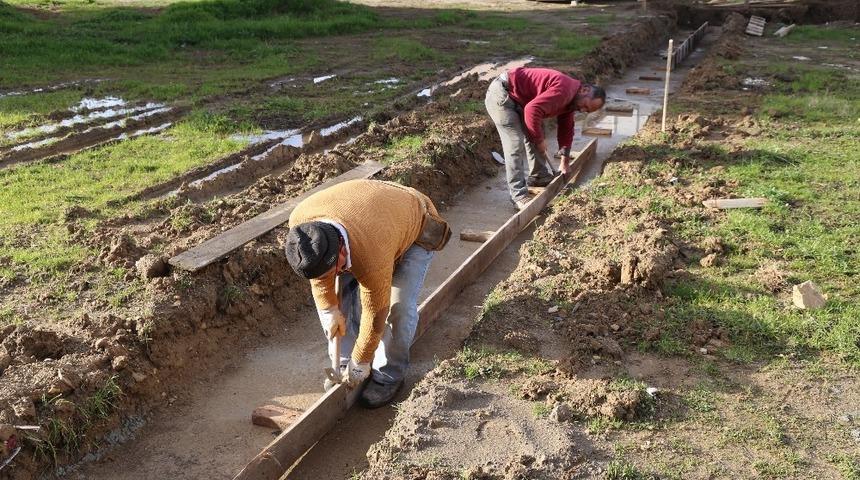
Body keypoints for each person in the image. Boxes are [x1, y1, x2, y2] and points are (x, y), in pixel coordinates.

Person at [284, 179, 450, 408]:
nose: (324, 278)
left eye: (330, 270)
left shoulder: (372, 252)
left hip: (413, 224)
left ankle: (388, 376)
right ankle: (343, 362)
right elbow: (319, 278)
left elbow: (375, 313)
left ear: (341, 252)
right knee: (340, 295)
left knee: (398, 308)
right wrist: (329, 310)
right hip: (367, 211)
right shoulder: (301, 226)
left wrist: (361, 359)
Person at [484, 67, 606, 210]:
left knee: (536, 131)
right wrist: (539, 140)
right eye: (585, 106)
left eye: (586, 111)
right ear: (584, 90)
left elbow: (566, 129)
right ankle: (518, 196)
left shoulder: (572, 100)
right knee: (515, 142)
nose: (582, 110)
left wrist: (565, 162)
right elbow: (532, 110)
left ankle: (539, 176)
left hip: (520, 99)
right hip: (503, 94)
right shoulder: (565, 90)